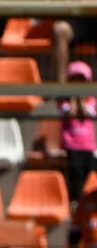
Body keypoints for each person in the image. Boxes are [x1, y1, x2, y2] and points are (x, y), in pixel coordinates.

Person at [58, 62, 97, 211]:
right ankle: (74, 202)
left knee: (88, 175)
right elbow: (71, 113)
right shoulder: (64, 103)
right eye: (75, 80)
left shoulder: (92, 101)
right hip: (71, 146)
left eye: (81, 81)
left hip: (87, 147)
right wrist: (74, 98)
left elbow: (88, 113)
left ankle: (85, 201)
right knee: (75, 175)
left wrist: (81, 100)